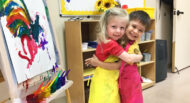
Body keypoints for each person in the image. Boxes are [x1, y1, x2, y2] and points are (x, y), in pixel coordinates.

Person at [86, 10, 151, 103]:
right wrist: (139, 57)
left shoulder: (121, 40)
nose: (118, 31)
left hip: (126, 81)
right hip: (108, 80)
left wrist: (140, 56)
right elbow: (123, 62)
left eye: (121, 28)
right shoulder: (113, 43)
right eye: (133, 26)